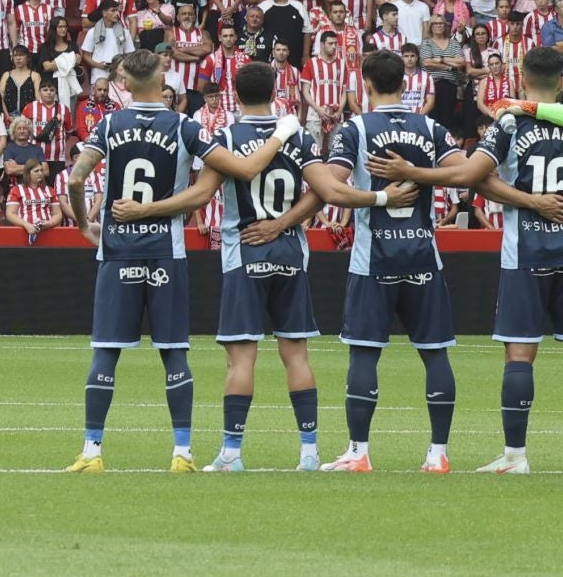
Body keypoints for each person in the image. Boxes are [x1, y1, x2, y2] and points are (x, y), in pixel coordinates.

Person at [66, 48, 294, 472]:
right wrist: (282, 134)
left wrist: (84, 224)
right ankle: (182, 453)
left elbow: (77, 178)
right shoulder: (185, 126)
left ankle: (92, 450)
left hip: (118, 252)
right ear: (162, 76)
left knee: (106, 350)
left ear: (124, 81)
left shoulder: (109, 123)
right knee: (173, 351)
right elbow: (241, 171)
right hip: (166, 254)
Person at [119, 63, 325, 471]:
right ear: (275, 88)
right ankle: (309, 452)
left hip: (243, 254)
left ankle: (231, 453)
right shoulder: (298, 135)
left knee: (241, 358)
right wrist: (283, 224)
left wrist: (147, 210)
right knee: (297, 355)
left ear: (234, 91)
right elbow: (322, 192)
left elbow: (199, 196)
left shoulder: (227, 138)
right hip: (289, 252)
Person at [310, 49, 494, 473]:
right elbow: (466, 173)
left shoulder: (355, 128)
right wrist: (419, 172)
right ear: (407, 84)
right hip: (423, 257)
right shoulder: (431, 127)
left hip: (373, 260)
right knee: (435, 354)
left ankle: (358, 452)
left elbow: (333, 189)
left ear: (367, 85)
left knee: (364, 354)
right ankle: (439, 454)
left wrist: (379, 195)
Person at [466, 48, 563, 473]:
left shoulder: (509, 120)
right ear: (561, 81)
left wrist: (530, 202)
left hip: (526, 251)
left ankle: (515, 457)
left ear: (522, 76)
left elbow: (475, 176)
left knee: (520, 354)